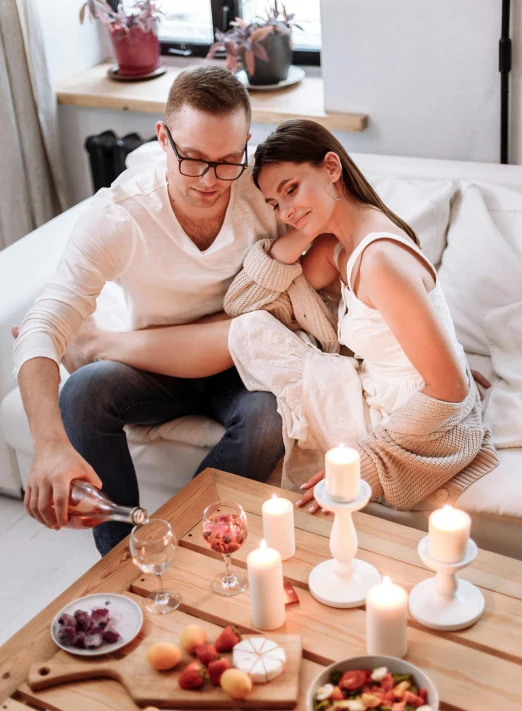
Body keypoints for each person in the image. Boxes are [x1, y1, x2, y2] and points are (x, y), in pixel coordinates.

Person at [61, 120, 498, 514]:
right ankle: (109, 348)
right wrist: (298, 233)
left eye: (292, 189)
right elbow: (248, 300)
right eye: (274, 203)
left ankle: (102, 346)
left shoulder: (379, 258)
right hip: (375, 388)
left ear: (332, 167)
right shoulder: (337, 246)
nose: (285, 211)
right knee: (255, 323)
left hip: (396, 416)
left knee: (254, 332)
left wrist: (366, 463)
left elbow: (447, 387)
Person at [13, 65, 285, 556]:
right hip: (155, 366)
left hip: (240, 368)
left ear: (248, 143)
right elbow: (40, 326)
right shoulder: (120, 215)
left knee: (270, 418)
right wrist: (49, 445)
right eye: (193, 159)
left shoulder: (265, 194)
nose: (209, 181)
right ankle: (120, 559)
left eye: (228, 160)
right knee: (83, 392)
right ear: (163, 138)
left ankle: (176, 548)